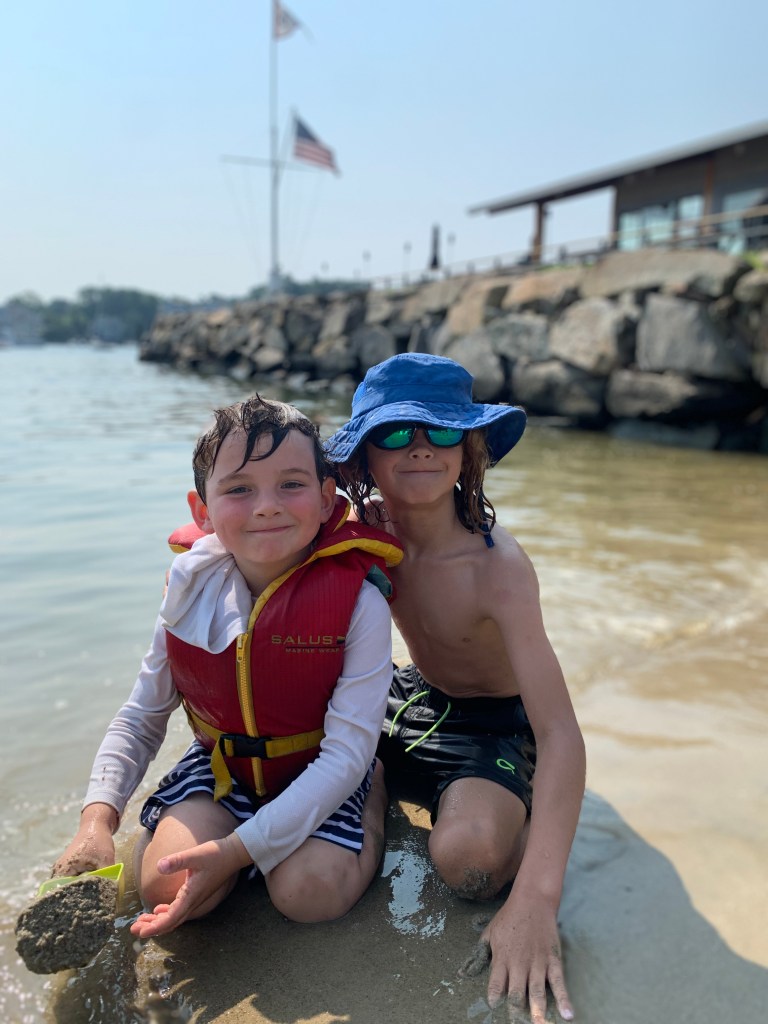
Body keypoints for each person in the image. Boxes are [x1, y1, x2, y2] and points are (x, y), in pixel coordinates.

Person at [54, 394, 402, 939]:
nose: (266, 507)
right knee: (162, 887)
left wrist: (237, 851)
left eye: (291, 484)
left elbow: (345, 755)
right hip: (225, 770)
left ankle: (372, 799)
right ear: (202, 511)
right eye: (239, 489)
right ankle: (214, 840)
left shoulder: (360, 601)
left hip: (324, 770)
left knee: (308, 894)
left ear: (325, 498)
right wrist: (97, 820)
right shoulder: (189, 592)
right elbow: (141, 717)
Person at [327, 353, 586, 1024]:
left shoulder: (496, 568)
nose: (420, 448)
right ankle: (372, 797)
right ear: (362, 458)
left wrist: (537, 899)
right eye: (395, 433)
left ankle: (511, 810)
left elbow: (560, 731)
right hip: (409, 695)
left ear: (468, 451)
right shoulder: (364, 534)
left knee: (470, 864)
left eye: (441, 432)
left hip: (493, 722)